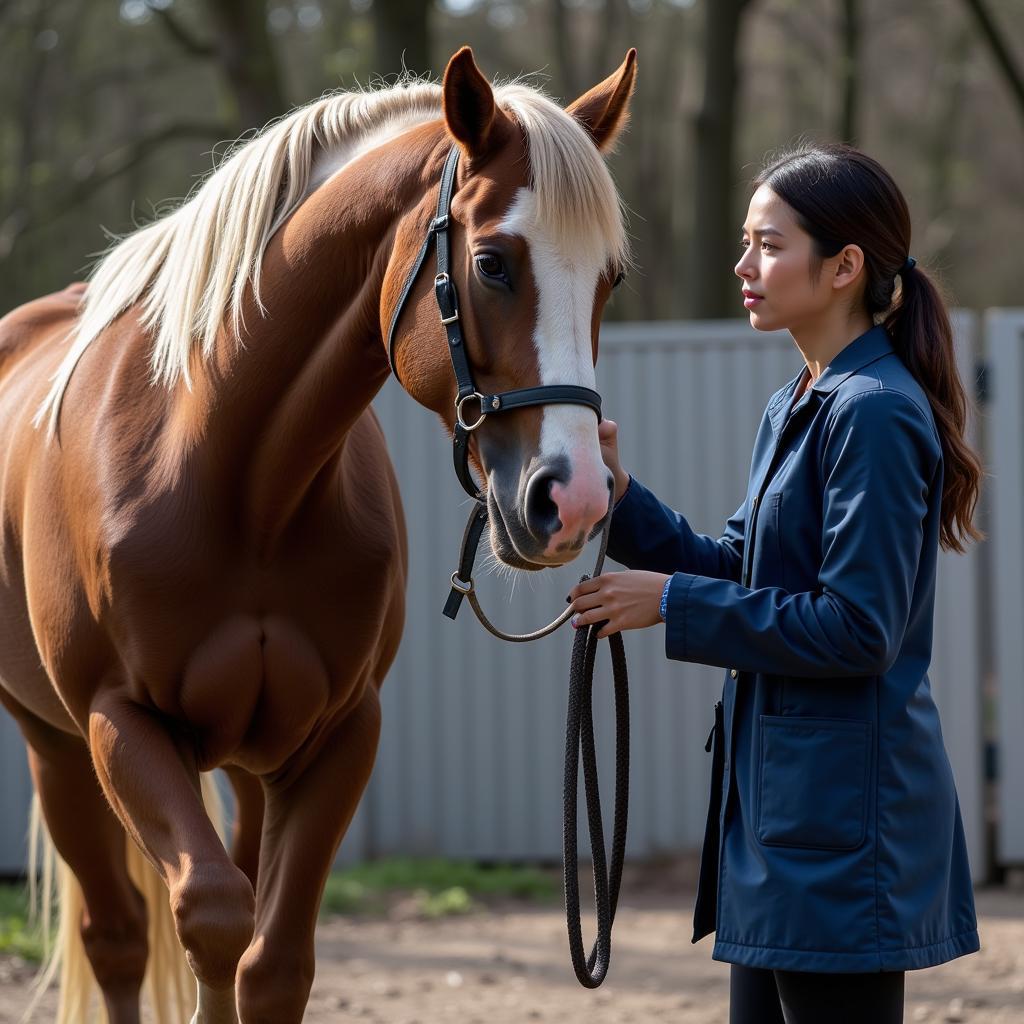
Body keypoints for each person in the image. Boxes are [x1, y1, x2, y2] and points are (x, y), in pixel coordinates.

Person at [567, 143, 984, 1024]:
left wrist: (669, 604)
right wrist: (622, 499)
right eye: (746, 242)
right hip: (781, 827)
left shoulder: (873, 413)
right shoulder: (800, 400)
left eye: (767, 244)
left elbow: (857, 628)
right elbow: (743, 567)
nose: (743, 265)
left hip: (842, 837)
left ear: (843, 267)